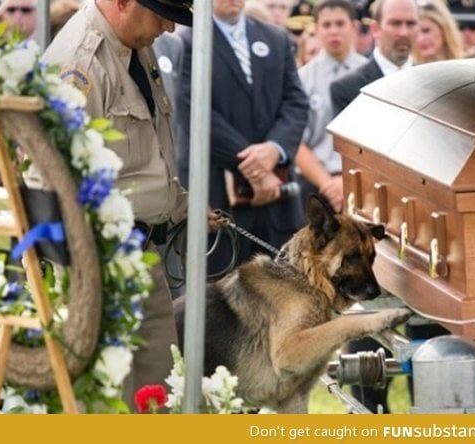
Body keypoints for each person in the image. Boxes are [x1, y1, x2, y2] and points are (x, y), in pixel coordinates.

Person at [42, 0, 192, 412]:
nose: (170, 28)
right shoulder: (81, 62)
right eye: (162, 14)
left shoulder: (132, 46)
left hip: (138, 256)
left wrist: (182, 206)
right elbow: (50, 178)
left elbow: (140, 161)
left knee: (160, 396)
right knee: (110, 404)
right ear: (123, 2)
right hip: (96, 265)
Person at [329, 0, 418, 413]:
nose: (404, 31)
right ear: (376, 28)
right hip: (372, 224)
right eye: (395, 23)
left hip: (422, 229)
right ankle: (371, 418)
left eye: (411, 24)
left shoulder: (429, 81)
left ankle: (433, 411)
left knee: (427, 331)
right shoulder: (349, 86)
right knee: (370, 331)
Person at [176, 0, 308, 275]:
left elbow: (295, 102)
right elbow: (194, 109)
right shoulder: (187, 42)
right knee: (223, 302)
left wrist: (274, 149)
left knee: (289, 292)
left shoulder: (276, 38)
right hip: (221, 199)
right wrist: (255, 166)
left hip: (278, 198)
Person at [296, 0, 368, 212]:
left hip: (365, 183)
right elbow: (297, 142)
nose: (333, 31)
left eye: (340, 23)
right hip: (317, 184)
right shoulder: (302, 78)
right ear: (316, 29)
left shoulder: (370, 74)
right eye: (327, 25)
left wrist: (349, 182)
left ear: (353, 27)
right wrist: (329, 185)